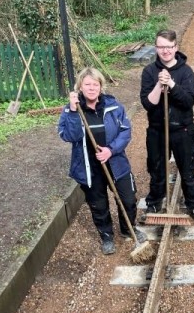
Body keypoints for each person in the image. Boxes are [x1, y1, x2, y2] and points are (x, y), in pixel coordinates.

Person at [58, 67, 147, 255]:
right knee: (99, 205)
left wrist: (110, 150)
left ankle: (127, 228)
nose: (91, 88)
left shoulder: (113, 106)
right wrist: (74, 112)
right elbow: (70, 136)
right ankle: (106, 236)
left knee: (128, 199)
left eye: (95, 84)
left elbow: (125, 131)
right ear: (80, 87)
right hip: (89, 168)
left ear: (101, 86)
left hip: (116, 164)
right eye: (87, 84)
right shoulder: (71, 110)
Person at [140, 29, 194, 224]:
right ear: (156, 48)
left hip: (182, 131)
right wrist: (158, 86)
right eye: (161, 47)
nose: (165, 51)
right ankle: (153, 205)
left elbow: (189, 101)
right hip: (157, 131)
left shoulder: (185, 72)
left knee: (187, 171)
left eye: (169, 47)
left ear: (175, 47)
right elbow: (147, 103)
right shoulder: (149, 72)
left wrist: (171, 84)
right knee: (157, 170)